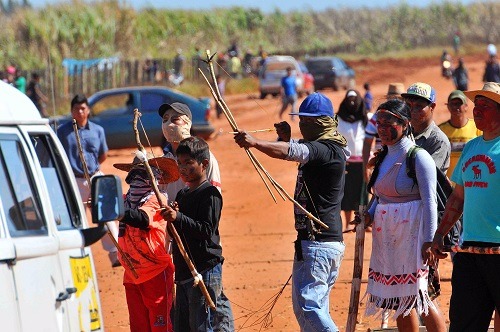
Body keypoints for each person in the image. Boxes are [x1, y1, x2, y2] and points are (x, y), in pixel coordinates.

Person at [234, 92, 349, 331]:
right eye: (301, 120)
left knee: (309, 308)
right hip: (318, 242)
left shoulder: (326, 149)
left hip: (318, 242)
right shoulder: (328, 146)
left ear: (322, 123)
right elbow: (296, 147)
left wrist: (255, 143)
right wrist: (284, 138)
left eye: (308, 121)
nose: (302, 125)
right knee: (313, 307)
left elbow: (293, 152)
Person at [363, 99, 446, 332]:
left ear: (404, 123)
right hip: (388, 238)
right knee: (399, 300)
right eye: (378, 123)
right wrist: (369, 215)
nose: (382, 128)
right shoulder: (382, 157)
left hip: (415, 238)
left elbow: (430, 201)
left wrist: (429, 242)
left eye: (388, 122)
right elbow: (379, 195)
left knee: (423, 298)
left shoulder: (418, 157)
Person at [431, 82, 500, 331]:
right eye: (476, 106)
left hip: (499, 248)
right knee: (464, 323)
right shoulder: (471, 147)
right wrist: (440, 235)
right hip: (469, 250)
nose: (477, 111)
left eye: (486, 106)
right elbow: (458, 197)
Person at [157, 102, 233, 331]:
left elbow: (210, 213)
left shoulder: (205, 159)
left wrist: (179, 217)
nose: (169, 124)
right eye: (165, 119)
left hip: (201, 248)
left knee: (209, 302)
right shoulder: (164, 160)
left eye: (175, 119)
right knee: (191, 309)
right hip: (178, 238)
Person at [113, 155, 179, 332]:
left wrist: (114, 208)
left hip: (156, 273)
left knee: (160, 327)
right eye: (135, 175)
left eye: (144, 174)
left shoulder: (158, 200)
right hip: (132, 273)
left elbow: (141, 219)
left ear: (155, 177)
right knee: (139, 327)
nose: (138, 180)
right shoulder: (125, 200)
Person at [57, 94, 120, 267]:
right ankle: (77, 254)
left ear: (88, 110)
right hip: (72, 180)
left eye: (83, 108)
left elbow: (102, 154)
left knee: (106, 213)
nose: (80, 111)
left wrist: (92, 170)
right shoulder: (62, 131)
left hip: (94, 177)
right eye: (76, 108)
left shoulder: (97, 130)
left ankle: (115, 255)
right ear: (71, 111)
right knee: (76, 217)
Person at [402, 82, 451, 173]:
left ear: (432, 107)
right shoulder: (403, 133)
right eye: (408, 105)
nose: (412, 111)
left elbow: (425, 175)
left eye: (419, 106)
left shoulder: (438, 141)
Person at [337, 89, 368, 231]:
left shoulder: (365, 119)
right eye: (349, 100)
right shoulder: (337, 119)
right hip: (346, 162)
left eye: (354, 99)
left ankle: (362, 223)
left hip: (362, 162)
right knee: (346, 192)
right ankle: (346, 223)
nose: (352, 103)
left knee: (361, 192)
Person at [362, 82, 405, 182]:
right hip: (382, 163)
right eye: (392, 98)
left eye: (398, 99)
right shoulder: (377, 116)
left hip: (403, 164)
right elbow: (367, 142)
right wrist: (366, 167)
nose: (395, 101)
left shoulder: (407, 117)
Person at [438, 90, 481, 178]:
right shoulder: (440, 130)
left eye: (458, 103)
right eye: (452, 104)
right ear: (448, 106)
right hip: (448, 183)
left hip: (471, 181)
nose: (455, 107)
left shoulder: (477, 128)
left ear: (466, 106)